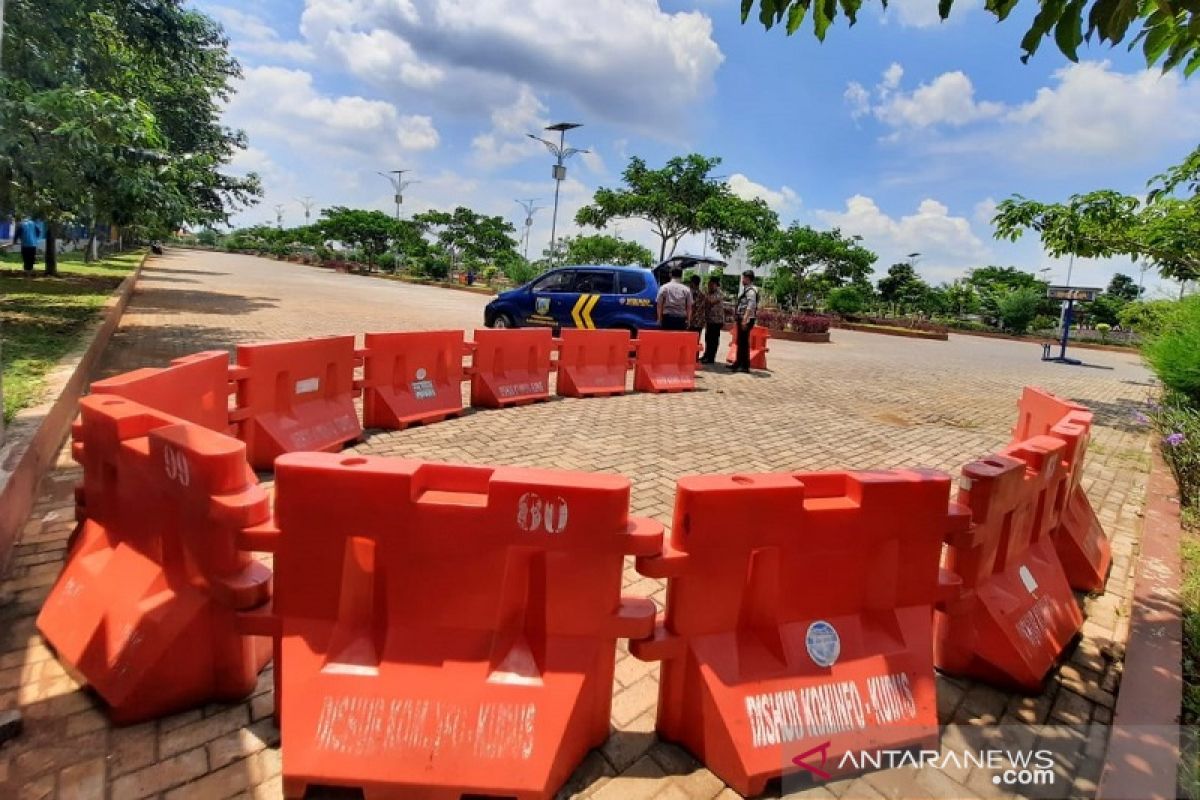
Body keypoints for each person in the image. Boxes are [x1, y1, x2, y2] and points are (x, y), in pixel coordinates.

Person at [730, 269, 759, 373]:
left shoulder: (751, 291)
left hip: (746, 319)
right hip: (742, 318)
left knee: (744, 342)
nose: (742, 280)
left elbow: (751, 305)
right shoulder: (747, 290)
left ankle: (744, 365)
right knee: (740, 341)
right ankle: (738, 362)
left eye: (744, 278)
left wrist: (745, 319)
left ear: (748, 279)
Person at [700, 276, 725, 364]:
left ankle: (711, 357)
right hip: (710, 320)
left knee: (713, 340)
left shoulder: (719, 293)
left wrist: (703, 295)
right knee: (708, 338)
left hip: (716, 321)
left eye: (711, 284)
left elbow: (711, 301)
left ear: (716, 285)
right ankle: (706, 355)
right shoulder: (709, 293)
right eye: (709, 284)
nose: (709, 286)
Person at [687, 274, 706, 345]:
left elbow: (692, 306)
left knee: (690, 342)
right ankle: (694, 356)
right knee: (695, 342)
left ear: (692, 283)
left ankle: (692, 356)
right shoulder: (702, 294)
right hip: (698, 323)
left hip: (693, 322)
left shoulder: (693, 294)